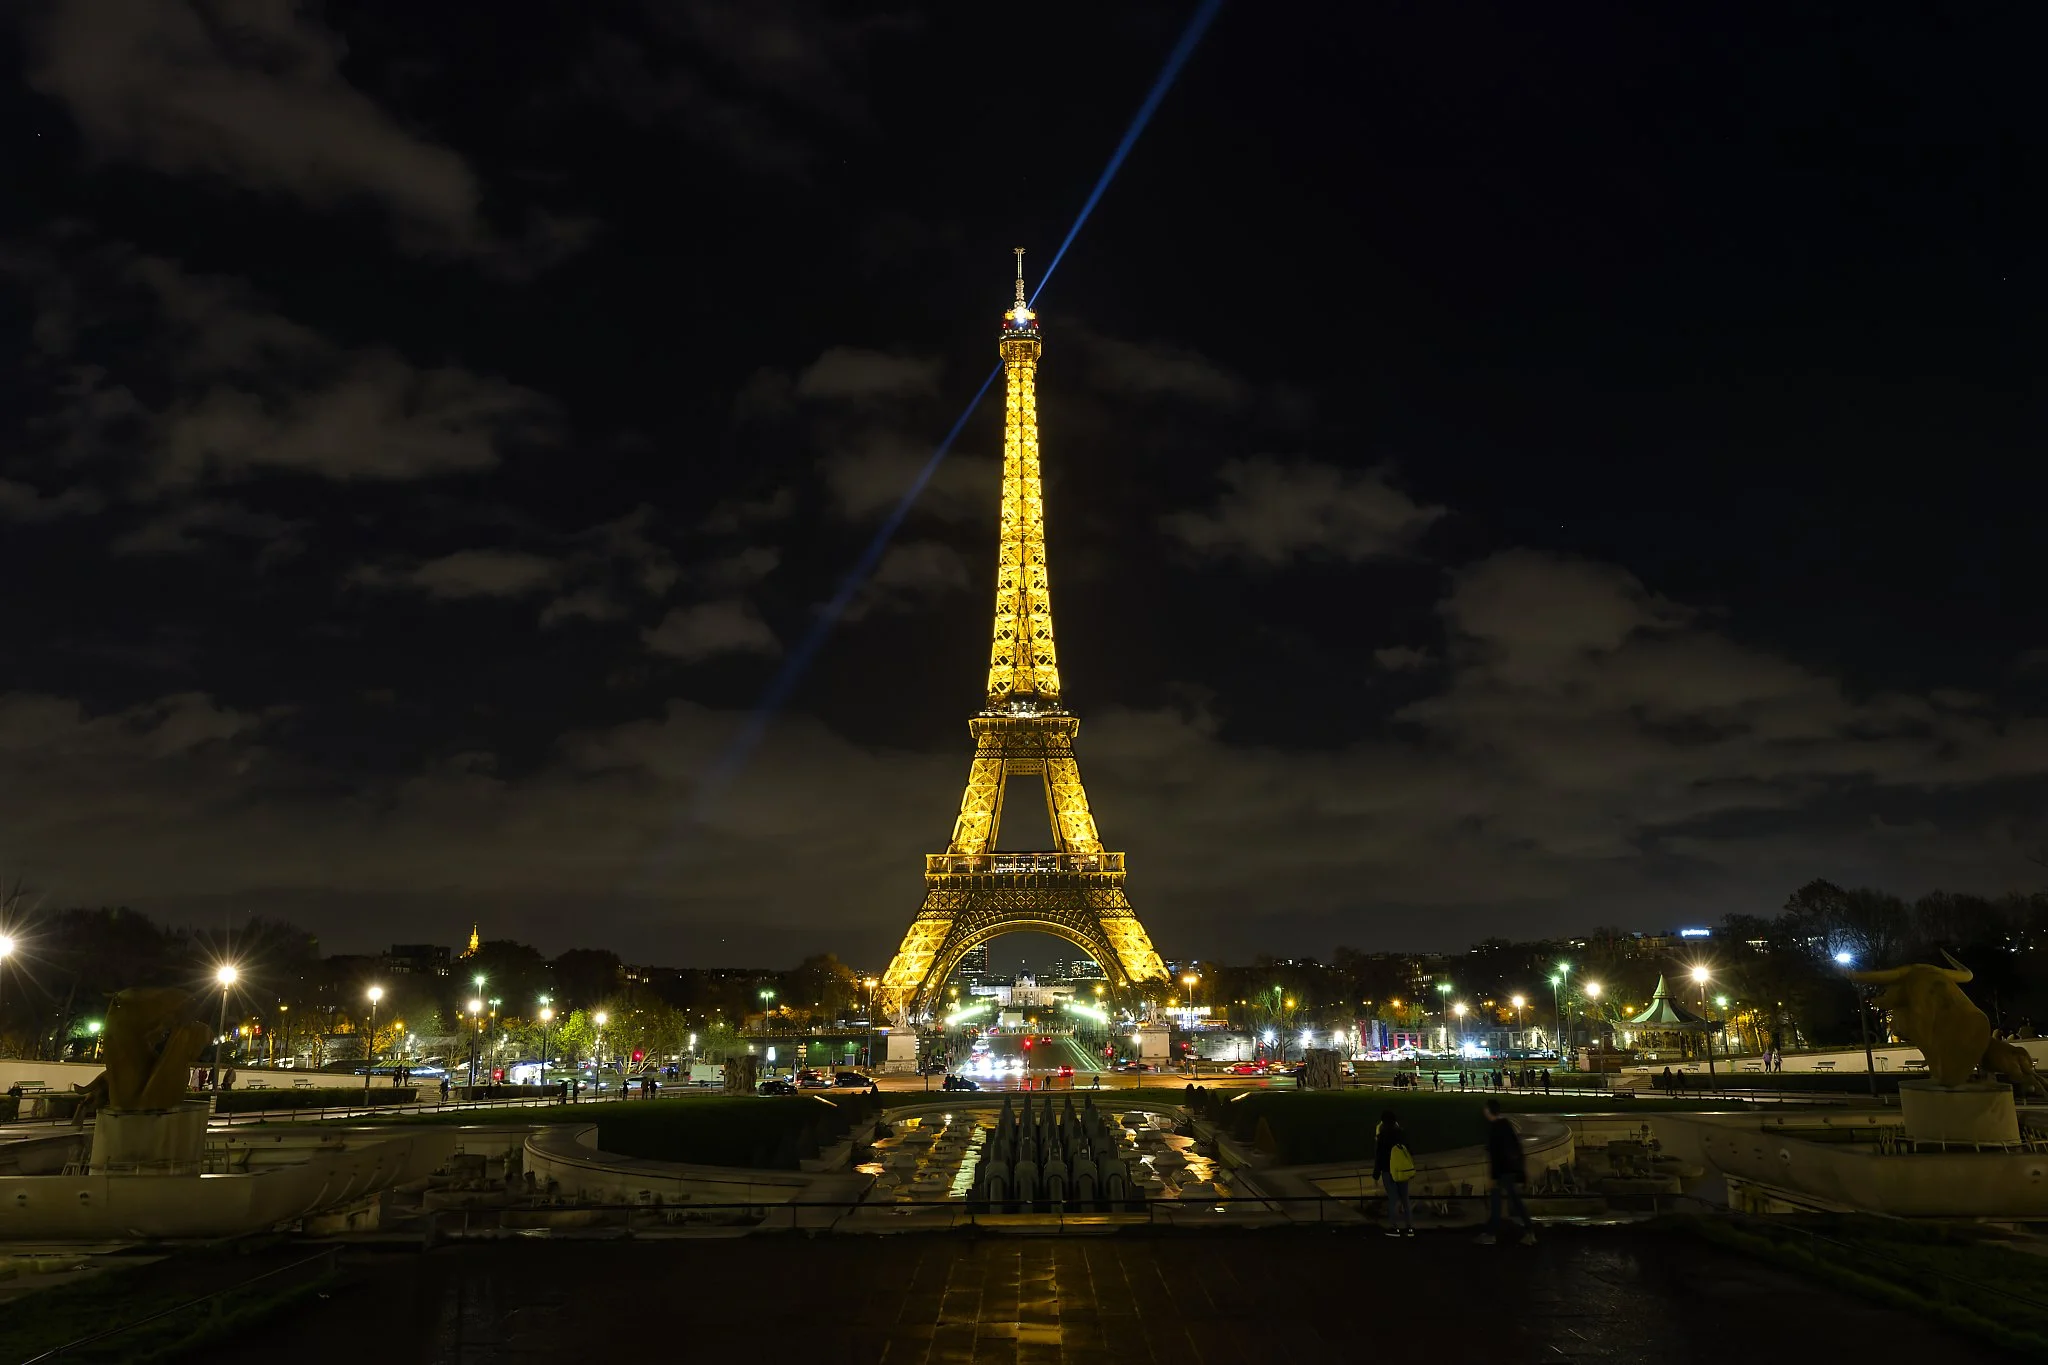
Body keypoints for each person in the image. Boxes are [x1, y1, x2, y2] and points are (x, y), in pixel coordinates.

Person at [1476, 1098, 1536, 1246]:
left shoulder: (1494, 1129)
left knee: (1497, 1204)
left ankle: (1492, 1234)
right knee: (1515, 1202)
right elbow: (1516, 1147)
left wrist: (1493, 1177)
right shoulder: (1506, 1125)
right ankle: (1529, 1231)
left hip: (1502, 1172)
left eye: (1485, 1108)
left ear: (1489, 1111)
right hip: (1510, 1170)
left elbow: (1496, 1155)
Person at [1373, 1110, 1417, 1238]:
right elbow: (1409, 1151)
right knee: (1405, 1199)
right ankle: (1410, 1228)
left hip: (1388, 1171)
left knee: (1393, 1200)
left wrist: (1376, 1174)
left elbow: (1379, 1157)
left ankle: (1394, 1228)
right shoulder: (1402, 1134)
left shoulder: (1382, 1137)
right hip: (1402, 1170)